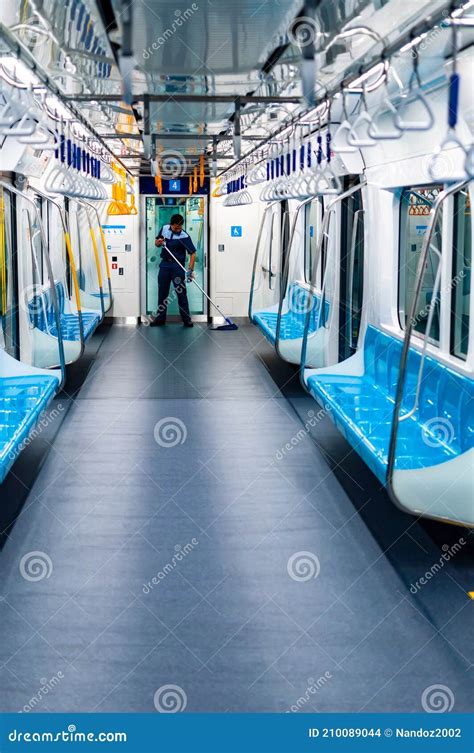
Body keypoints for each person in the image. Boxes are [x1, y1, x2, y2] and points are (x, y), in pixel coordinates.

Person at [150, 214, 196, 327]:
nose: (178, 229)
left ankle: (187, 319)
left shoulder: (184, 236)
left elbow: (193, 253)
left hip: (177, 267)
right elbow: (157, 242)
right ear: (171, 224)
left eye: (180, 227)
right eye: (176, 227)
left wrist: (190, 269)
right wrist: (158, 243)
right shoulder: (164, 228)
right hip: (164, 265)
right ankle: (160, 319)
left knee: (181, 293)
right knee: (162, 293)